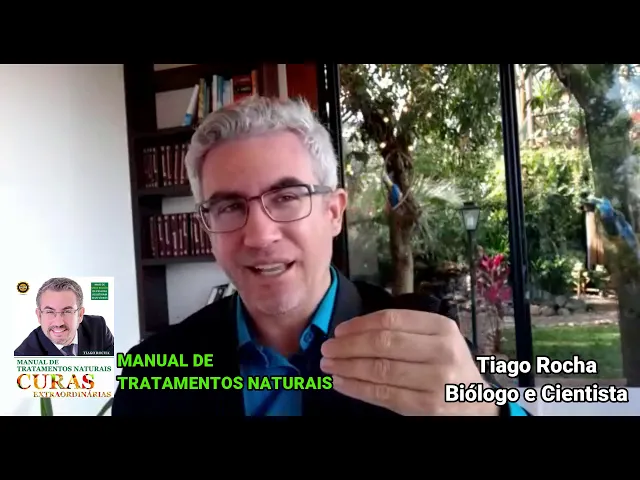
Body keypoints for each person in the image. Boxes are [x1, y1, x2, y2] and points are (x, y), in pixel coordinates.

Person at [112, 96, 529, 416]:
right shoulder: (153, 372)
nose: (259, 235)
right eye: (229, 206)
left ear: (334, 212)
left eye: (287, 197)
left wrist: (486, 411)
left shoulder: (423, 338)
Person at [14, 277, 114, 357]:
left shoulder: (98, 327)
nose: (58, 323)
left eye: (67, 311)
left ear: (80, 314)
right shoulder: (24, 356)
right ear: (39, 316)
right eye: (50, 312)